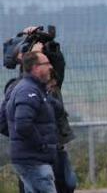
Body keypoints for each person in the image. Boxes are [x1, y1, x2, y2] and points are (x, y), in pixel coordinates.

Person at [6, 51, 58, 193]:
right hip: (34, 160)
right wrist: (42, 145)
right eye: (46, 63)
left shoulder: (35, 89)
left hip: (32, 158)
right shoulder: (28, 91)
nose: (50, 67)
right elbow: (23, 125)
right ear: (35, 67)